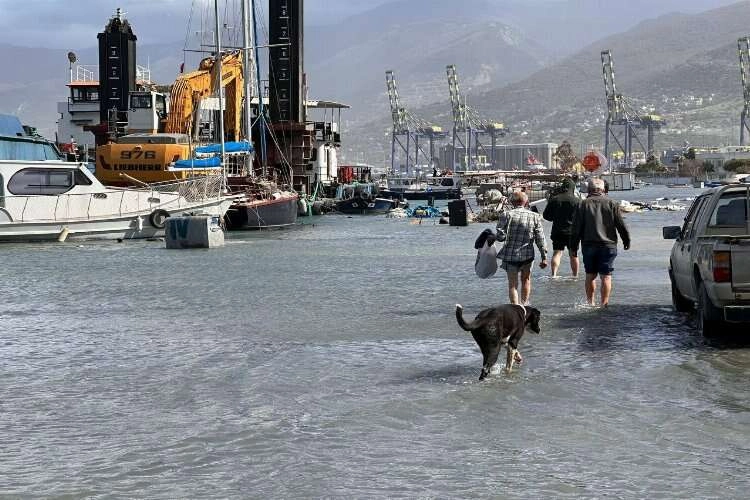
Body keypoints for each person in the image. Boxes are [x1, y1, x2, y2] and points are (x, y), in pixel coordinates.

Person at [569, 178, 631, 307]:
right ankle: (604, 304)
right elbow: (621, 225)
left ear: (589, 190)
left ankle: (590, 303)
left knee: (590, 275)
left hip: (588, 245)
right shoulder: (612, 203)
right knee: (606, 276)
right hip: (608, 245)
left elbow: (576, 228)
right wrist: (626, 240)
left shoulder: (582, 204)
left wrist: (573, 247)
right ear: (603, 190)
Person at [496, 191, 548, 305]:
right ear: (526, 202)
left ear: (512, 202)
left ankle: (515, 309)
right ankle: (524, 305)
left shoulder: (506, 215)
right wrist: (544, 257)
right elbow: (540, 239)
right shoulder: (534, 216)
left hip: (510, 256)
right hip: (527, 256)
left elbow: (500, 237)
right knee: (526, 280)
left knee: (513, 284)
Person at [542, 178, 581, 278]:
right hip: (572, 233)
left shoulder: (554, 199)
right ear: (573, 188)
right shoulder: (577, 201)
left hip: (557, 231)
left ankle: (554, 275)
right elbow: (582, 217)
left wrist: (554, 218)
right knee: (573, 255)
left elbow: (546, 216)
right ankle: (575, 276)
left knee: (557, 253)